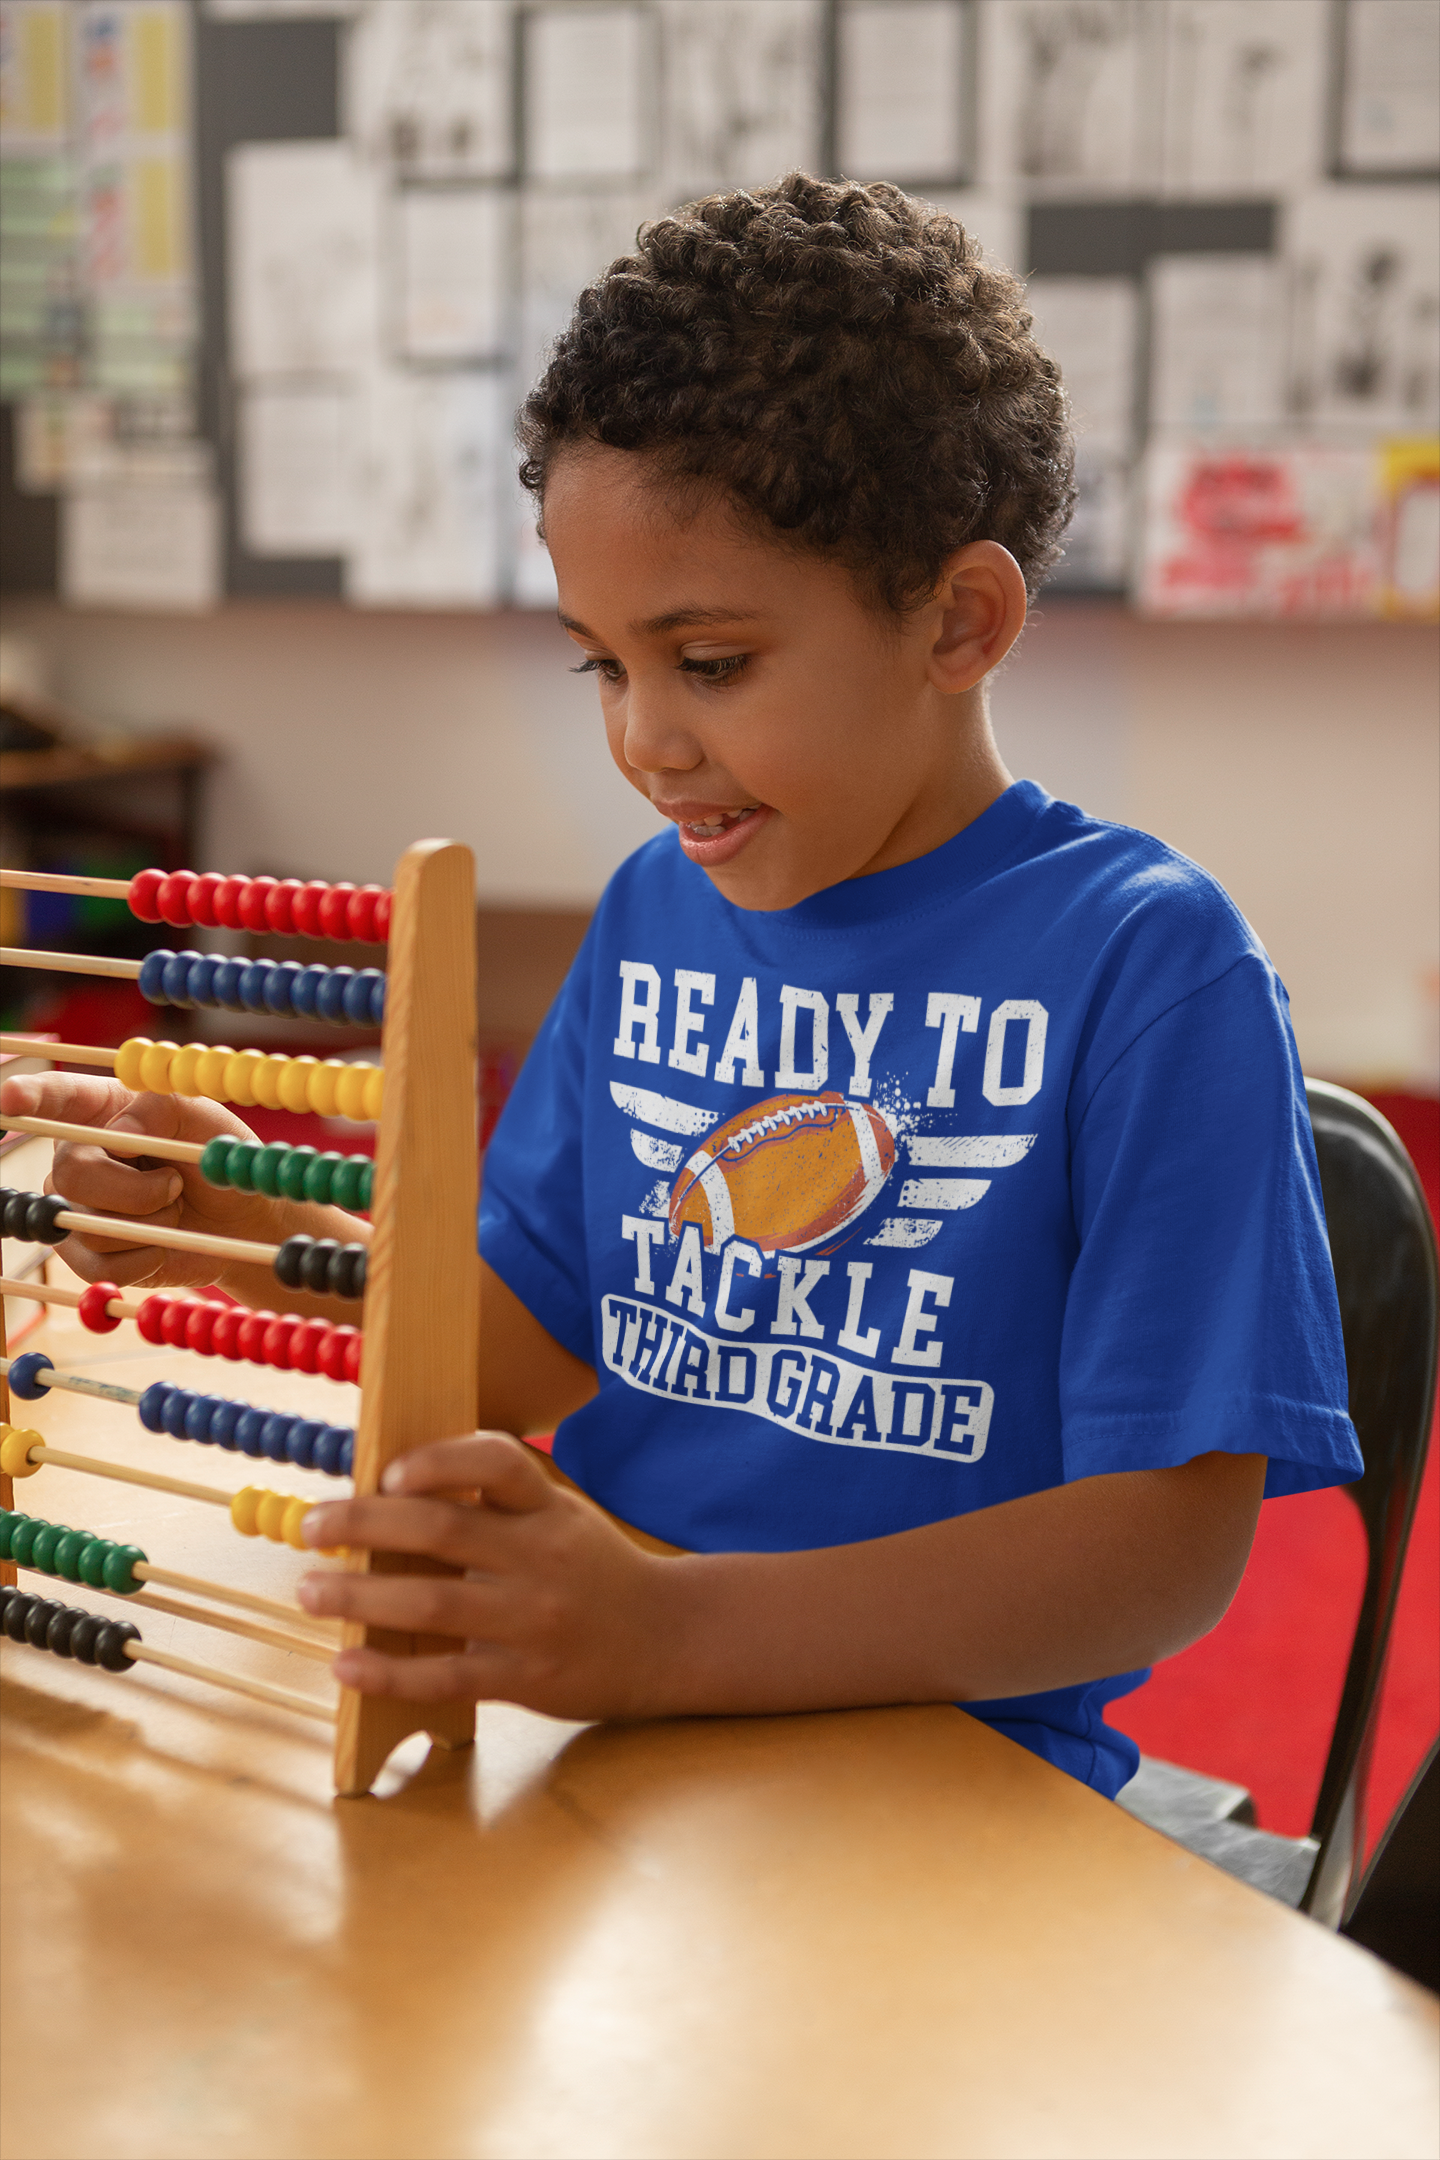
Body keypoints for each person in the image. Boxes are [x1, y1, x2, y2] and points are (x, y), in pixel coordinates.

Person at [2, 176, 1360, 1797]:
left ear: (961, 621)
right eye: (604, 661)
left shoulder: (1149, 966)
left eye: (708, 662)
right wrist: (230, 1205)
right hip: (605, 1723)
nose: (644, 739)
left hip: (944, 1786)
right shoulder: (658, 910)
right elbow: (517, 1354)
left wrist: (667, 1636)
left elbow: (1163, 1557)